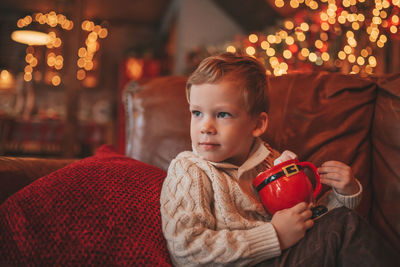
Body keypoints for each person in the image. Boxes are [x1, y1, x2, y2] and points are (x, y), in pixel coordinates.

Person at [160, 52, 397, 266]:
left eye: (222, 114)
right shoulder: (190, 170)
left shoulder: (271, 163)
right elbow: (187, 251)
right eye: (197, 113)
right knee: (343, 225)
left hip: (290, 256)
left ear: (258, 124)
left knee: (341, 223)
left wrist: (344, 195)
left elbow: (307, 219)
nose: (206, 127)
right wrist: (274, 236)